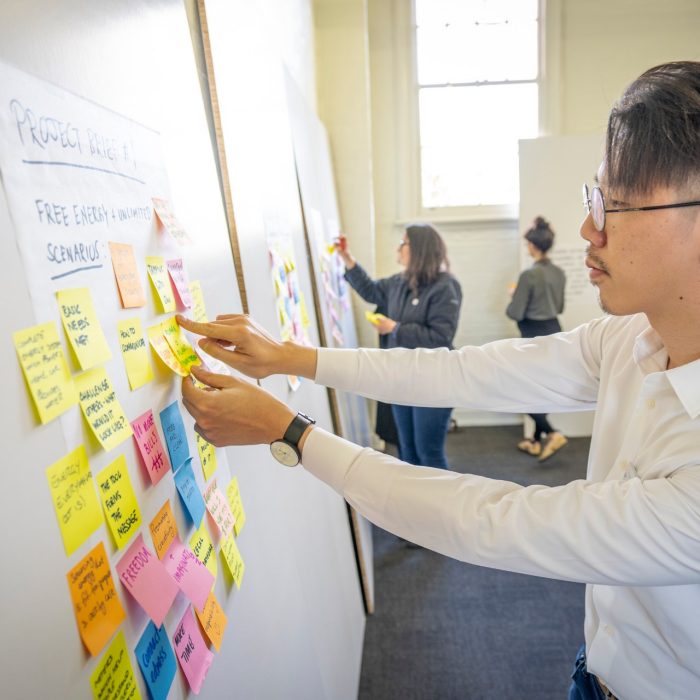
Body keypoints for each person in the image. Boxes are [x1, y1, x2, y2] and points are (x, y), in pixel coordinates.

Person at [178, 61, 700, 700]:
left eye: (615, 203)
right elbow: (462, 371)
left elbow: (495, 522)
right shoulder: (630, 338)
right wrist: (292, 359)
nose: (591, 228)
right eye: (596, 197)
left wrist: (287, 430)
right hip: (593, 673)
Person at [335, 223, 462, 468]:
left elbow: (440, 336)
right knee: (407, 450)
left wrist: (394, 329)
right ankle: (414, 504)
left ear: (419, 250)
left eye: (404, 243)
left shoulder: (445, 286)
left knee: (428, 452)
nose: (399, 247)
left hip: (434, 381)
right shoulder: (400, 282)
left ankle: (440, 505)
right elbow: (372, 291)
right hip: (402, 378)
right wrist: (347, 258)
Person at [506, 216, 568, 461]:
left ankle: (552, 433)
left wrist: (514, 295)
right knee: (538, 388)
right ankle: (534, 440)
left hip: (532, 334)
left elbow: (515, 312)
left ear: (532, 245)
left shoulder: (528, 276)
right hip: (555, 330)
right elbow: (560, 306)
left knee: (522, 390)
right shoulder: (559, 273)